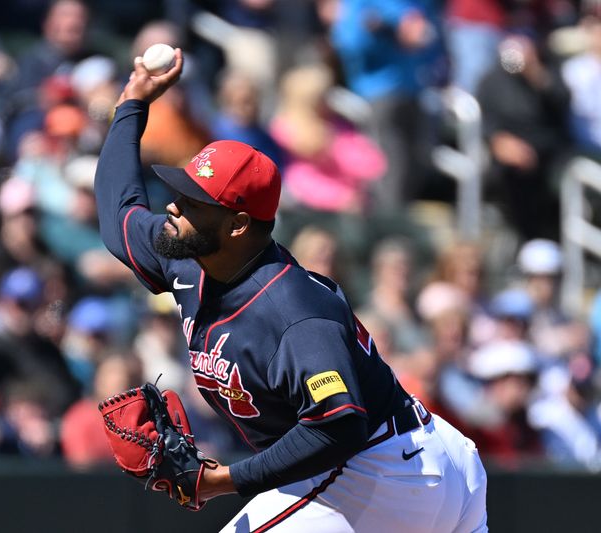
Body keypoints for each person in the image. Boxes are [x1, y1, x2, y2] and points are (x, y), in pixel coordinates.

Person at [94, 49, 487, 532]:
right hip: (408, 461)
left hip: (384, 467)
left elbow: (338, 424)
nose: (174, 207)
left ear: (238, 225)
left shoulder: (294, 311)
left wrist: (222, 480)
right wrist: (132, 103)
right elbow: (120, 215)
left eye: (194, 202)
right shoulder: (187, 257)